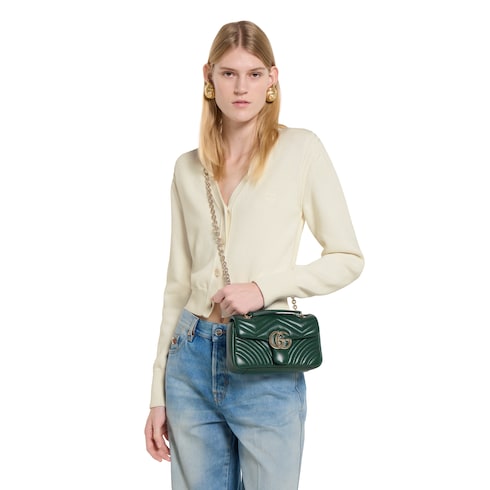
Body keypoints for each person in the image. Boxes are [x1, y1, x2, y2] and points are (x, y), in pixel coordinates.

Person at [144, 20, 364, 490]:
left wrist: (264, 289)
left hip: (267, 357)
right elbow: (177, 284)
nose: (241, 87)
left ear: (272, 79)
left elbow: (347, 257)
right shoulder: (187, 168)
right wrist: (157, 391)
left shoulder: (301, 151)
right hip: (190, 359)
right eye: (229, 73)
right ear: (208, 76)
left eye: (254, 74)